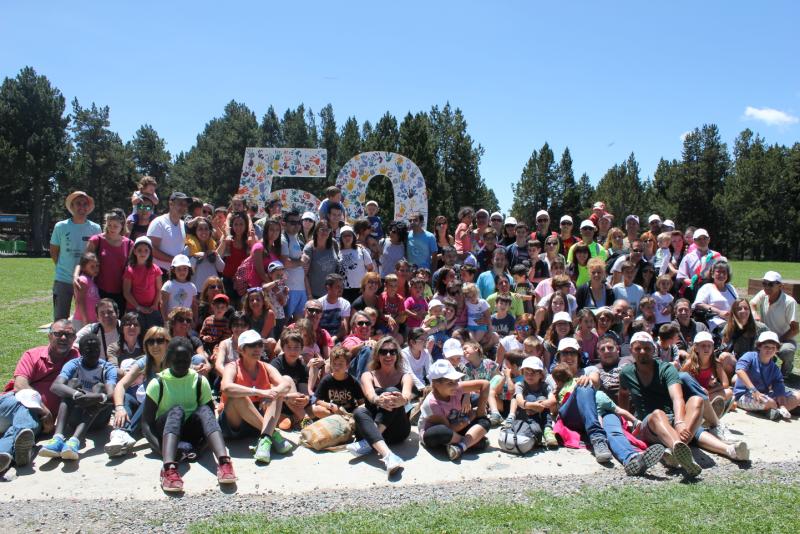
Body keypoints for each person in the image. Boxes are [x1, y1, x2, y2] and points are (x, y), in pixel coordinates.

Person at [618, 332, 749, 479]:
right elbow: (623, 394)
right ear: (631, 351)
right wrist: (626, 421)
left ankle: (730, 451)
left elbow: (677, 397)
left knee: (697, 401)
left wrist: (680, 422)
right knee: (658, 414)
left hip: (673, 420)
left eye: (647, 348)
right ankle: (678, 449)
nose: (642, 352)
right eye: (638, 348)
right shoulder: (626, 373)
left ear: (653, 350)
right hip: (650, 424)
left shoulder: (666, 369)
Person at [142, 337, 236, 492]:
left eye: (185, 359)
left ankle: (224, 462)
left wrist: (199, 448)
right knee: (176, 410)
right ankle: (168, 468)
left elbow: (210, 419)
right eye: (176, 359)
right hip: (167, 431)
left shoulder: (199, 381)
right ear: (169, 358)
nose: (180, 363)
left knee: (205, 410)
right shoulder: (158, 383)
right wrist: (161, 450)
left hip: (190, 431)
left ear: (190, 359)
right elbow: (146, 424)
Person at [219, 330, 294, 464]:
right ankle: (273, 434)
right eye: (252, 345)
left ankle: (265, 439)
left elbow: (286, 384)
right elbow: (226, 387)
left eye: (259, 344)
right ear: (241, 349)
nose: (257, 349)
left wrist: (273, 393)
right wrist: (259, 392)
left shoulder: (266, 366)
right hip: (234, 422)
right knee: (238, 396)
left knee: (276, 392)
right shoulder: (232, 366)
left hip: (256, 420)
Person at [39, 334, 116, 461]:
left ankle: (75, 440)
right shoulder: (74, 364)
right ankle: (58, 438)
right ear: (80, 351)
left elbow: (111, 395)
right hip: (75, 416)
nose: (93, 353)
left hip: (98, 418)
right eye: (88, 350)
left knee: (100, 387)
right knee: (71, 384)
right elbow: (55, 386)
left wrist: (92, 397)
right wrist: (76, 394)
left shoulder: (107, 368)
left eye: (96, 349)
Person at [346, 336, 413, 477]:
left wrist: (403, 400)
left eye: (392, 351)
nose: (388, 355)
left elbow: (406, 395)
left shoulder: (405, 376)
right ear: (377, 355)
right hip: (371, 425)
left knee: (392, 394)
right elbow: (370, 395)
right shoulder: (367, 375)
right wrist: (378, 400)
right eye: (383, 352)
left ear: (397, 354)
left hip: (396, 430)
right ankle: (388, 455)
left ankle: (368, 442)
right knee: (359, 411)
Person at [105, 326, 169, 457]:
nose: (155, 345)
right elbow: (121, 385)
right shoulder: (144, 362)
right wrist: (119, 408)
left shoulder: (175, 361)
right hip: (148, 410)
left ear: (168, 343)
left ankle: (124, 434)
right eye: (151, 342)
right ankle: (120, 434)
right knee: (127, 397)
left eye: (160, 341)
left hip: (166, 412)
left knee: (152, 395)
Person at [548, 338, 612, 463]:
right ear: (559, 357)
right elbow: (553, 409)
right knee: (582, 385)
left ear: (578, 356)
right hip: (567, 414)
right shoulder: (551, 377)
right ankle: (598, 438)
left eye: (572, 353)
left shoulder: (589, 370)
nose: (569, 357)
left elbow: (595, 381)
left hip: (589, 413)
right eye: (565, 353)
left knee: (584, 385)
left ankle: (597, 439)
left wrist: (585, 379)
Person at [418, 359, 490, 461]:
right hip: (439, 433)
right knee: (442, 432)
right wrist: (469, 418)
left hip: (458, 424)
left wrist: (480, 411)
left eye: (456, 381)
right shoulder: (431, 404)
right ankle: (470, 442)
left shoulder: (456, 388)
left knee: (484, 421)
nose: (455, 385)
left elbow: (485, 384)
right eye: (450, 382)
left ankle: (460, 447)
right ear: (436, 384)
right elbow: (449, 428)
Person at [50, 191, 101, 320]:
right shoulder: (60, 226)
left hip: (87, 281)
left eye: (85, 204)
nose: (82, 207)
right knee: (60, 318)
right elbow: (54, 251)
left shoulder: (96, 228)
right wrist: (63, 268)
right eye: (78, 203)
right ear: (71, 206)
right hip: (64, 279)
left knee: (87, 316)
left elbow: (97, 253)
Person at [74, 210, 132, 314]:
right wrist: (75, 276)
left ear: (122, 225)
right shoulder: (97, 240)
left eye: (115, 226)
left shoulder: (129, 244)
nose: (112, 228)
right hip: (99, 289)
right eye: (109, 225)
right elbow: (83, 261)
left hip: (122, 291)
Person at [734, 331, 800, 420]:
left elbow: (779, 389)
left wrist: (783, 405)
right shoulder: (749, 356)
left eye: (773, 347)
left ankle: (774, 410)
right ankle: (772, 410)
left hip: (765, 395)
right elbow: (740, 371)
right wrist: (754, 390)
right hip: (744, 395)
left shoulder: (775, 368)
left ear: (777, 349)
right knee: (768, 402)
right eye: (766, 347)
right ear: (759, 346)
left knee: (797, 396)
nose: (770, 350)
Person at [750, 271, 798, 377]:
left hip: (784, 339)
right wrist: (755, 314)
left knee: (787, 350)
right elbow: (752, 303)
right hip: (764, 337)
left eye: (771, 284)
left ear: (780, 286)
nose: (767, 287)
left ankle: (785, 371)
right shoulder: (763, 294)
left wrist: (776, 342)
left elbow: (795, 329)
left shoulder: (789, 302)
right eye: (764, 283)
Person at [268, 329, 313, 429]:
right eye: (289, 347)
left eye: (296, 347)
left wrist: (305, 399)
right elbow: (270, 391)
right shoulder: (276, 364)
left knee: (320, 410)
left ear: (302, 349)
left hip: (295, 405)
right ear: (283, 348)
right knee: (287, 379)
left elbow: (304, 391)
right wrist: (289, 396)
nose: (293, 351)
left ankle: (293, 419)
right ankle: (305, 421)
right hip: (278, 403)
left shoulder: (302, 367)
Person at [717, 298, 769, 376]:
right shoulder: (729, 327)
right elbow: (724, 349)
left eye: (746, 308)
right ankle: (729, 381)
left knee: (737, 380)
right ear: (734, 312)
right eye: (739, 309)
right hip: (739, 363)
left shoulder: (761, 328)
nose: (743, 311)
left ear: (750, 311)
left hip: (757, 364)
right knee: (724, 356)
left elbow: (770, 350)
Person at [122, 236, 163, 332]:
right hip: (134, 308)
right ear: (135, 251)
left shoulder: (156, 269)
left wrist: (154, 305)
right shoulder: (129, 270)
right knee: (136, 334)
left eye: (146, 250)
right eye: (139, 250)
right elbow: (126, 292)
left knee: (154, 333)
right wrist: (138, 307)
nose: (143, 253)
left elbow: (159, 289)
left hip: (152, 309)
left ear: (150, 252)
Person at [314, 346, 366, 417]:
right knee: (316, 409)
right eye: (334, 363)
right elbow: (316, 400)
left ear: (347, 365)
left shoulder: (353, 381)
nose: (337, 367)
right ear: (330, 364)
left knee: (362, 410)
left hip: (349, 413)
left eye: (340, 364)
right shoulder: (326, 380)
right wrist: (330, 406)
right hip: (332, 413)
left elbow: (361, 402)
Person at [147, 191, 189, 275]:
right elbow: (151, 249)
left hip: (176, 274)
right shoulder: (158, 222)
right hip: (159, 273)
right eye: (180, 204)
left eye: (185, 205)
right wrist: (174, 260)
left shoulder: (183, 224)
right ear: (171, 204)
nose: (183, 207)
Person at [692, 260, 737, 333]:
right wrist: (719, 312)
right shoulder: (707, 287)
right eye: (718, 272)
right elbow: (698, 304)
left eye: (724, 272)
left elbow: (738, 303)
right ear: (712, 274)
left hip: (733, 319)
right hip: (715, 321)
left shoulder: (730, 288)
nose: (721, 275)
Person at [279, 210, 308, 321]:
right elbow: (285, 262)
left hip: (301, 288)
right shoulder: (283, 239)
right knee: (285, 321)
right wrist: (301, 262)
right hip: (289, 289)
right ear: (284, 223)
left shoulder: (297, 238)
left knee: (300, 323)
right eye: (292, 222)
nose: (296, 225)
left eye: (298, 222)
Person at [183, 216, 224, 292]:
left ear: (210, 231)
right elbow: (186, 271)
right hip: (197, 290)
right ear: (195, 231)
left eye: (206, 229)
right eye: (200, 229)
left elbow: (221, 268)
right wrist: (195, 257)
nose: (204, 232)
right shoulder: (188, 248)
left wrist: (216, 255)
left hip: (214, 289)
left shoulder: (213, 246)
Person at [302, 221, 340, 299]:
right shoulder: (309, 248)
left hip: (331, 293)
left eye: (328, 230)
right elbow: (304, 275)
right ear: (316, 231)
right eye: (322, 229)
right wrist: (310, 296)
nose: (325, 232)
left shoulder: (334, 244)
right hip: (314, 294)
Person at [219, 211, 251, 300]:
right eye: (236, 224)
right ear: (232, 226)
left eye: (241, 224)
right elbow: (218, 255)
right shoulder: (228, 239)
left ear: (246, 226)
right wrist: (224, 240)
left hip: (243, 281)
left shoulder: (249, 241)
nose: (238, 227)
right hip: (227, 279)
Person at [338, 225, 375, 302]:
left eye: (349, 235)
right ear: (341, 238)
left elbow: (370, 269)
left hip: (360, 289)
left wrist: (367, 287)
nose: (347, 237)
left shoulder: (361, 250)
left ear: (353, 237)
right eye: (344, 235)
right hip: (343, 290)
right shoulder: (337, 252)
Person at [160, 254, 199, 323]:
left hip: (186, 322)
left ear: (189, 270)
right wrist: (165, 320)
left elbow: (194, 305)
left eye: (185, 269)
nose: (182, 272)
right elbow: (163, 304)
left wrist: (195, 321)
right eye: (179, 269)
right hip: (172, 321)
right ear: (173, 270)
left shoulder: (192, 287)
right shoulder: (168, 285)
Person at [71, 252, 100, 331]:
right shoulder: (83, 280)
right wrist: (85, 320)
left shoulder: (90, 280)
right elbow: (80, 301)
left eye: (97, 265)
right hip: (82, 321)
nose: (96, 269)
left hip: (91, 320)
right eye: (92, 267)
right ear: (83, 268)